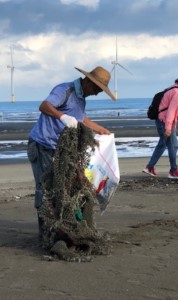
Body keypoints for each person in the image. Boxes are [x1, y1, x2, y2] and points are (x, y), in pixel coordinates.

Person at [27, 66, 115, 235]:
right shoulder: (65, 90)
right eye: (97, 88)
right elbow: (44, 106)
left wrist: (100, 129)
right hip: (42, 146)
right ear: (88, 82)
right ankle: (45, 229)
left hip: (60, 150)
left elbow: (81, 118)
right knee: (45, 187)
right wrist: (62, 116)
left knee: (65, 187)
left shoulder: (82, 98)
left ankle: (59, 224)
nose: (97, 93)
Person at [142, 70, 178, 179]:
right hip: (165, 122)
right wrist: (168, 127)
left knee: (162, 144)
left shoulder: (172, 89)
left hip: (161, 120)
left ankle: (149, 167)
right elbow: (171, 111)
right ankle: (173, 170)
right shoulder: (177, 93)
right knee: (174, 145)